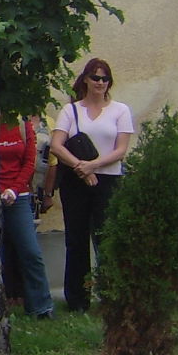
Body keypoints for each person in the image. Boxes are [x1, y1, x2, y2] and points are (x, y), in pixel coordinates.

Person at [48, 58, 135, 313]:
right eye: (95, 77)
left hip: (108, 180)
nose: (100, 82)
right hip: (76, 181)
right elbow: (56, 145)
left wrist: (93, 165)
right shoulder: (70, 111)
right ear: (86, 79)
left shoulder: (120, 110)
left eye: (105, 78)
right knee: (76, 240)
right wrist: (80, 166)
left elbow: (120, 150)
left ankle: (110, 295)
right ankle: (77, 299)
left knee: (106, 238)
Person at [0, 115, 53, 319]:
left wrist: (14, 189)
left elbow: (30, 162)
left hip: (18, 195)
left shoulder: (22, 125)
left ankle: (41, 306)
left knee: (30, 252)